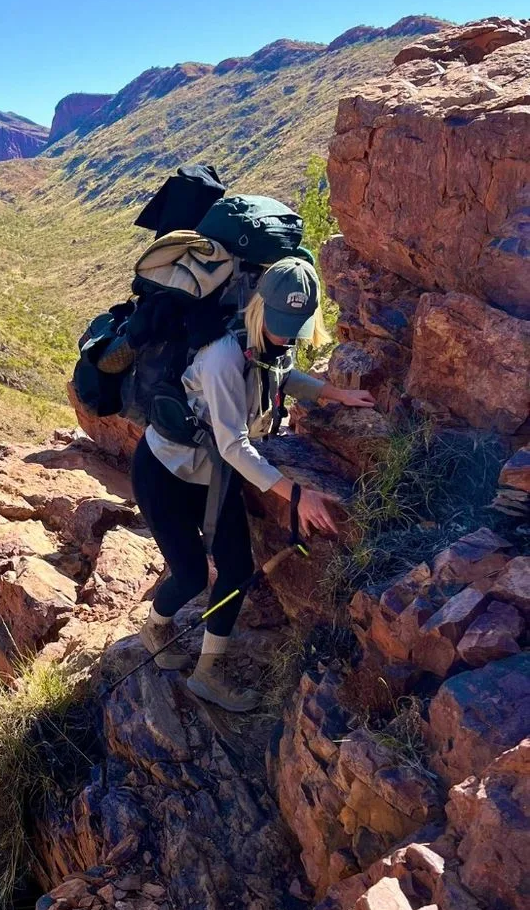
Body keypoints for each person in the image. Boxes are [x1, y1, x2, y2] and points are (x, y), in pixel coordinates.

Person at [131, 255, 374, 711]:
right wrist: (297, 494)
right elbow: (233, 445)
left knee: (237, 570)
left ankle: (207, 672)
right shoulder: (223, 355)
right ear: (261, 308)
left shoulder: (271, 345)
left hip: (211, 477)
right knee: (189, 575)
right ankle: (156, 628)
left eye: (295, 326)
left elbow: (282, 376)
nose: (286, 336)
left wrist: (336, 394)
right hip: (163, 471)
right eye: (281, 324)